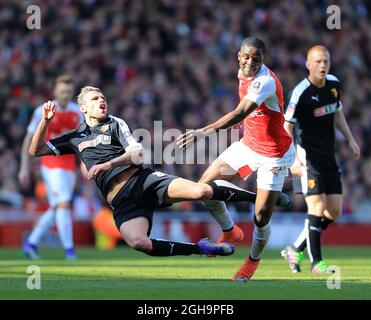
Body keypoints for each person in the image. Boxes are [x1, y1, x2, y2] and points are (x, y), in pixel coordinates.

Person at [27, 85, 269, 258]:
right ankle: (201, 248)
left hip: (143, 181)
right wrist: (45, 122)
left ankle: (263, 197)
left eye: (102, 97)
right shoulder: (74, 138)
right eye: (95, 99)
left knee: (202, 190)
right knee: (139, 243)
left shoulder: (114, 123)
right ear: (83, 108)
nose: (102, 101)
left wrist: (107, 165)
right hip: (122, 201)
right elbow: (35, 150)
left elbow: (137, 153)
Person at [177, 37, 295, 281]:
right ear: (238, 56)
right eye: (247, 57)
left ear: (263, 60)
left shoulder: (265, 82)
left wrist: (203, 132)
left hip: (274, 155)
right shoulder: (241, 73)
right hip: (248, 145)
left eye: (257, 59)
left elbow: (241, 112)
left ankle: (252, 261)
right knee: (203, 188)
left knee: (261, 217)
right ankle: (230, 232)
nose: (251, 62)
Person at [281, 45, 360, 273]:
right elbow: (287, 127)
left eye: (325, 61)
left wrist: (351, 139)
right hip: (307, 159)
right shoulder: (301, 93)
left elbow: (337, 112)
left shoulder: (334, 85)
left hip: (328, 157)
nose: (322, 65)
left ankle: (294, 248)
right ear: (308, 64)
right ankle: (316, 262)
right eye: (317, 61)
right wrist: (292, 159)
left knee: (334, 210)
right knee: (317, 206)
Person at [19, 75, 83, 260]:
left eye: (69, 91)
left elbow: (82, 142)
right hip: (50, 164)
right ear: (55, 91)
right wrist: (24, 167)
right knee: (63, 203)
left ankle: (31, 243)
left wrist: (84, 164)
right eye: (62, 91)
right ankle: (70, 251)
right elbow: (29, 140)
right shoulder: (43, 110)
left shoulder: (77, 113)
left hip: (69, 166)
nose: (65, 94)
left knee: (57, 207)